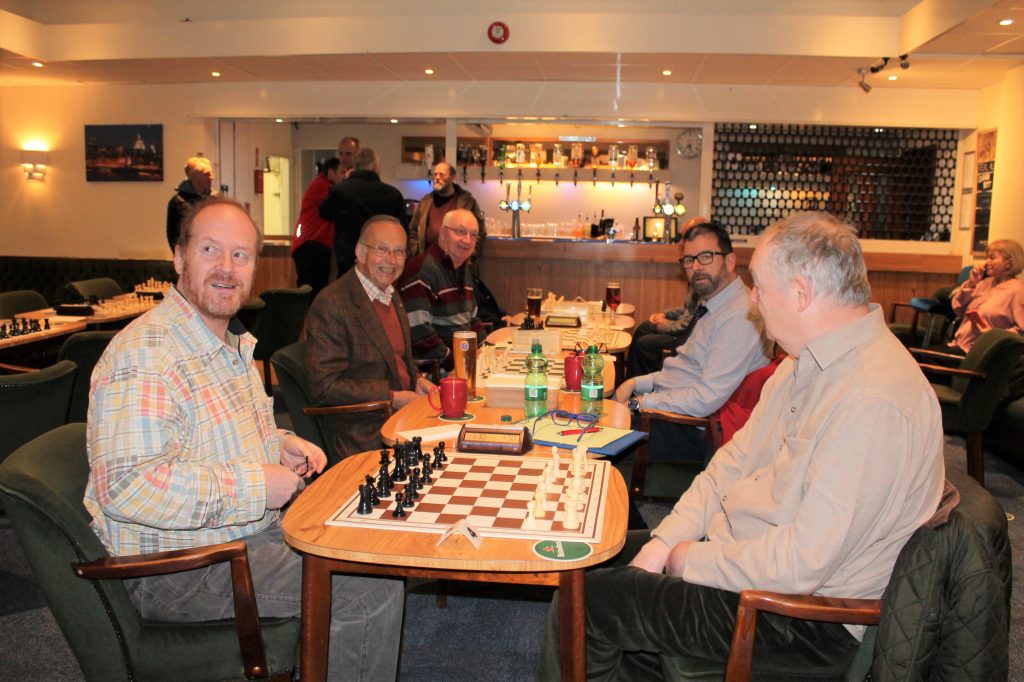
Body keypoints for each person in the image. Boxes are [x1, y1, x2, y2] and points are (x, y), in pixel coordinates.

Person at [539, 211, 945, 679]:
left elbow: (801, 564)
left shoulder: (873, 400)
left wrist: (689, 557)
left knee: (592, 603)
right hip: (748, 558)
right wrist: (667, 538)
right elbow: (728, 468)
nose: (752, 299)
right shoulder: (803, 362)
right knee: (586, 565)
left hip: (797, 618)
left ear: (801, 293)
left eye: (761, 287)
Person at [85, 197, 403, 682]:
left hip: (241, 536)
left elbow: (212, 436)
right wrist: (256, 485)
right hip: (178, 568)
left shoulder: (228, 343)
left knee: (365, 541)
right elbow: (130, 486)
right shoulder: (146, 355)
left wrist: (278, 443)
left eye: (241, 255)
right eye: (210, 249)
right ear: (178, 257)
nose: (226, 268)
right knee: (368, 584)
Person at [613, 221, 771, 461]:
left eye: (705, 257)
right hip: (667, 410)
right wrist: (635, 383)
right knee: (591, 408)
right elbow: (685, 369)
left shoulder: (740, 315)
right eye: (689, 260)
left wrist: (639, 404)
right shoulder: (714, 303)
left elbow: (704, 400)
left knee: (593, 436)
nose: (696, 267)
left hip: (687, 429)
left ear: (729, 261)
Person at [306, 215, 435, 461]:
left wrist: (416, 381)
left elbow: (392, 358)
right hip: (362, 429)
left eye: (399, 252)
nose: (392, 260)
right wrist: (393, 398)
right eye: (382, 250)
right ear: (360, 252)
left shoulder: (391, 294)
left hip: (402, 417)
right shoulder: (332, 304)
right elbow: (324, 386)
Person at [398, 208, 483, 370]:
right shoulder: (421, 271)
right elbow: (419, 333)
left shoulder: (461, 267)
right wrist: (455, 361)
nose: (467, 240)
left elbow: (471, 320)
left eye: (473, 235)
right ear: (442, 234)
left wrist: (486, 348)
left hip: (461, 362)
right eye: (460, 232)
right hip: (434, 371)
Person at [626, 217, 709, 378]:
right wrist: (666, 314)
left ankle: (640, 389)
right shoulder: (694, 264)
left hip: (689, 337)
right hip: (684, 329)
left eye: (684, 238)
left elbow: (694, 321)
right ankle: (630, 381)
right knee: (643, 328)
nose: (679, 243)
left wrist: (669, 326)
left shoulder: (703, 271)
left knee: (645, 344)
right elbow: (688, 310)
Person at [319, 147, 407, 278]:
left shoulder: (340, 191)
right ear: (376, 166)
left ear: (355, 166)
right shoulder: (392, 195)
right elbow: (404, 231)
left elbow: (324, 212)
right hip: (382, 262)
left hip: (347, 261)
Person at [947, 238, 1024, 354]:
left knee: (918, 360)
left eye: (992, 258)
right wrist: (971, 284)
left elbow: (1020, 332)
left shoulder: (1018, 290)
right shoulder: (984, 283)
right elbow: (957, 309)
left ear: (1009, 264)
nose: (986, 262)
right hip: (958, 346)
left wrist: (992, 335)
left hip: (978, 354)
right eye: (986, 257)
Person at [407, 161, 486, 257]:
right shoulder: (425, 202)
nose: (437, 178)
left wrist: (470, 255)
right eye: (435, 174)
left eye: (442, 175)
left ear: (453, 177)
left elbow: (480, 232)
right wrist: (415, 252)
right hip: (428, 260)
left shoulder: (467, 203)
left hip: (457, 261)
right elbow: (413, 230)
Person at [290, 156, 344, 297]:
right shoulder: (324, 187)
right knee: (312, 293)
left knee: (312, 291)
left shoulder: (320, 185)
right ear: (331, 173)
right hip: (312, 246)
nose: (344, 177)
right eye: (342, 173)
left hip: (311, 245)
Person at [165, 156, 213, 251]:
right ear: (195, 177)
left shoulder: (215, 200)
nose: (212, 177)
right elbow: (174, 237)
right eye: (207, 174)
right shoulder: (178, 202)